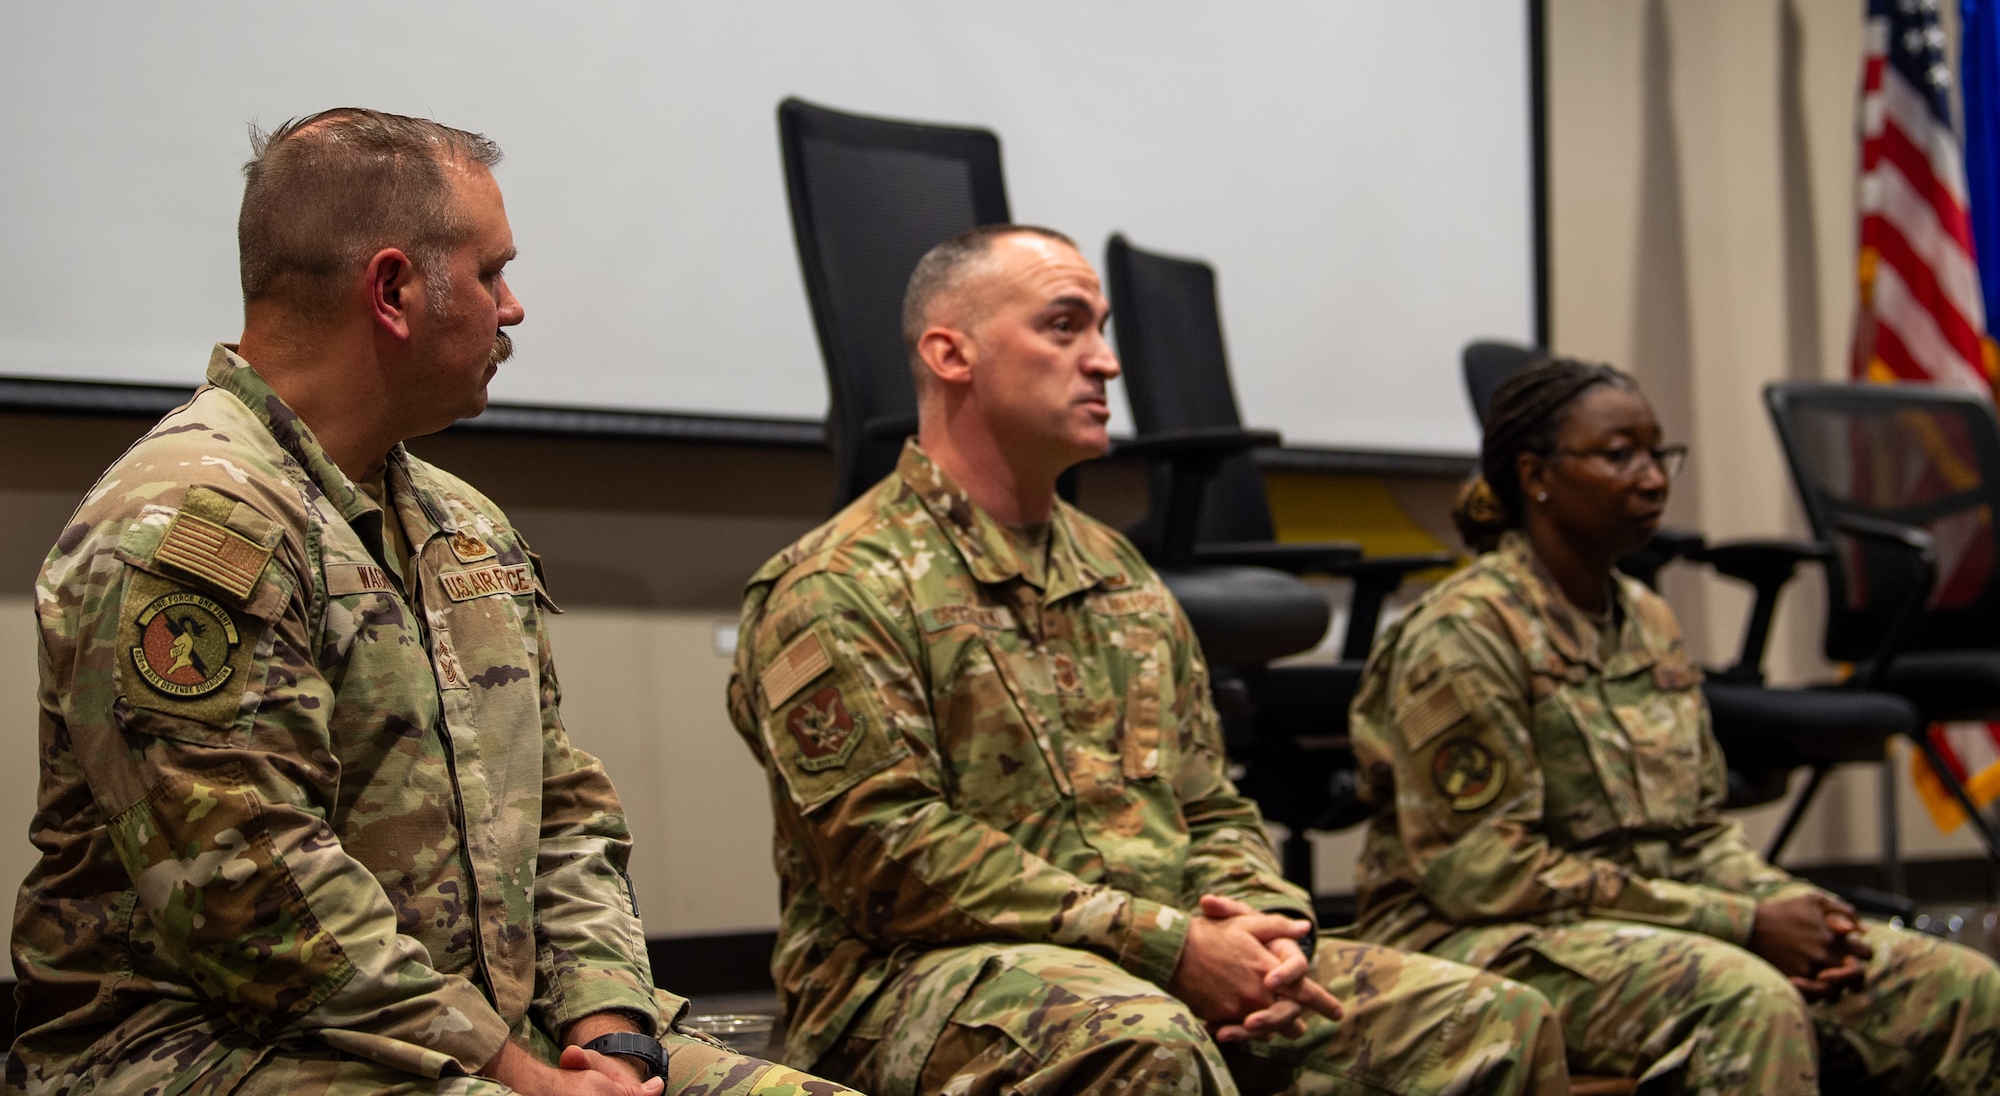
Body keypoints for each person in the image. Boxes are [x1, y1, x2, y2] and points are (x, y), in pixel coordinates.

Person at [9, 109, 854, 1096]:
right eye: (492, 273)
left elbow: (565, 812)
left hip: (493, 1028)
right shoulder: (190, 522)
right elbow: (254, 890)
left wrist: (610, 1030)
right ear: (395, 287)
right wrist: (515, 1072)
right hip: (218, 1044)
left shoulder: (462, 523)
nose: (515, 306)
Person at [728, 224, 1567, 1096]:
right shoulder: (836, 583)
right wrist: (1165, 945)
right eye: (1064, 326)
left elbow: (1208, 798)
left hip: (1158, 950)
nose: (1106, 362)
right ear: (951, 353)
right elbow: (888, 858)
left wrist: (1269, 929)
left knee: (1495, 1019)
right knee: (1147, 1041)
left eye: (1103, 328)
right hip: (906, 978)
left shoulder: (1118, 572)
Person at [1350, 356, 2000, 1094]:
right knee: (1746, 999)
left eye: (1659, 453)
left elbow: (1698, 831)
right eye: (1619, 454)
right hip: (1478, 938)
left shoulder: (1646, 618)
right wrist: (1741, 922)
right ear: (1536, 474)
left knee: (1960, 986)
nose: (1653, 476)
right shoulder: (1464, 633)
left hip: (1647, 921)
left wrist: (1791, 907)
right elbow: (1486, 872)